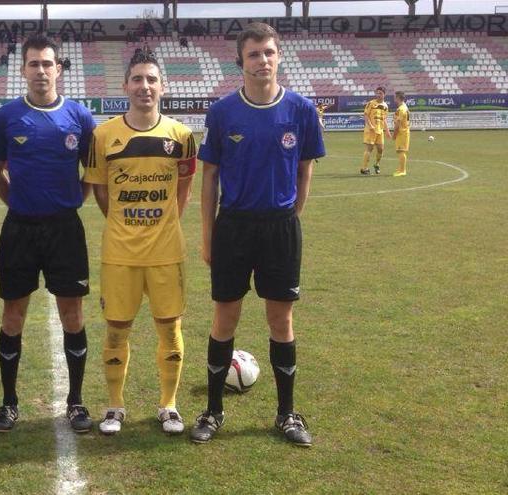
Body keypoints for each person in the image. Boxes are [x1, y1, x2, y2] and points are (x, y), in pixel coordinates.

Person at [190, 22, 324, 447]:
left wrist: (290, 217)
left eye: (269, 52)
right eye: (254, 54)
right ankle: (213, 411)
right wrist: (208, 236)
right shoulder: (223, 112)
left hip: (280, 228)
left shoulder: (301, 110)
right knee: (225, 317)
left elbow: (305, 170)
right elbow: (209, 178)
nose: (262, 60)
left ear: (278, 57)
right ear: (240, 62)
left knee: (280, 319)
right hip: (232, 227)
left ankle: (286, 414)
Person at [0, 34, 96, 433]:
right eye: (34, 64)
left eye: (48, 64)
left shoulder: (80, 118)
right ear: (23, 70)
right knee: (13, 315)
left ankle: (77, 402)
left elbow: (92, 171)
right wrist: (16, 200)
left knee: (73, 315)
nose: (41, 71)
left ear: (59, 69)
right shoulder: (6, 117)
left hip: (65, 229)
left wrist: (75, 199)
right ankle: (9, 402)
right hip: (20, 229)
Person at [84, 51, 197, 436]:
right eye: (137, 79)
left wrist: (165, 224)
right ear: (125, 86)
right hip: (119, 253)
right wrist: (124, 223)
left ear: (161, 86)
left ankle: (169, 405)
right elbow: (100, 192)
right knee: (117, 329)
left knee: (170, 327)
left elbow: (183, 189)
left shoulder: (182, 137)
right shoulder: (103, 136)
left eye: (151, 79)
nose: (144, 86)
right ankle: (115, 406)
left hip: (167, 252)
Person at [360, 86, 390, 175]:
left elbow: (384, 119)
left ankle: (377, 164)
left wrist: (387, 131)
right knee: (369, 148)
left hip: (380, 131)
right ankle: (364, 168)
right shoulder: (371, 103)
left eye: (380, 93)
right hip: (371, 130)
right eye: (377, 93)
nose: (378, 95)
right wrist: (371, 126)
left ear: (384, 94)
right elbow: (366, 115)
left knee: (381, 149)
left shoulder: (385, 106)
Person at [392, 91, 410, 177]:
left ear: (398, 98)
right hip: (403, 132)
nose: (394, 99)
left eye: (395, 97)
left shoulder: (401, 109)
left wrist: (394, 134)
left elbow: (398, 123)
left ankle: (402, 170)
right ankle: (401, 169)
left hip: (402, 132)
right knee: (400, 151)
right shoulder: (403, 107)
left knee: (401, 151)